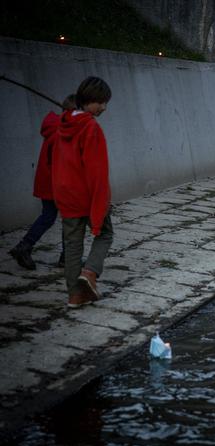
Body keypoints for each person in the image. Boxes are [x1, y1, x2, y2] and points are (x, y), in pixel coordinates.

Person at [52, 76, 114, 309]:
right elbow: (96, 171)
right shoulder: (90, 128)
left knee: (72, 244)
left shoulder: (63, 124)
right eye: (101, 102)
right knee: (105, 234)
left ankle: (74, 296)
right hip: (86, 195)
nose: (104, 108)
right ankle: (89, 273)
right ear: (89, 100)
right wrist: (101, 203)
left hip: (66, 194)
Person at [9, 95, 76, 270]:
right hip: (59, 183)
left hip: (48, 182)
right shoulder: (65, 132)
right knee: (70, 219)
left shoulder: (55, 127)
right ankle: (66, 258)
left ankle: (24, 246)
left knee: (48, 216)